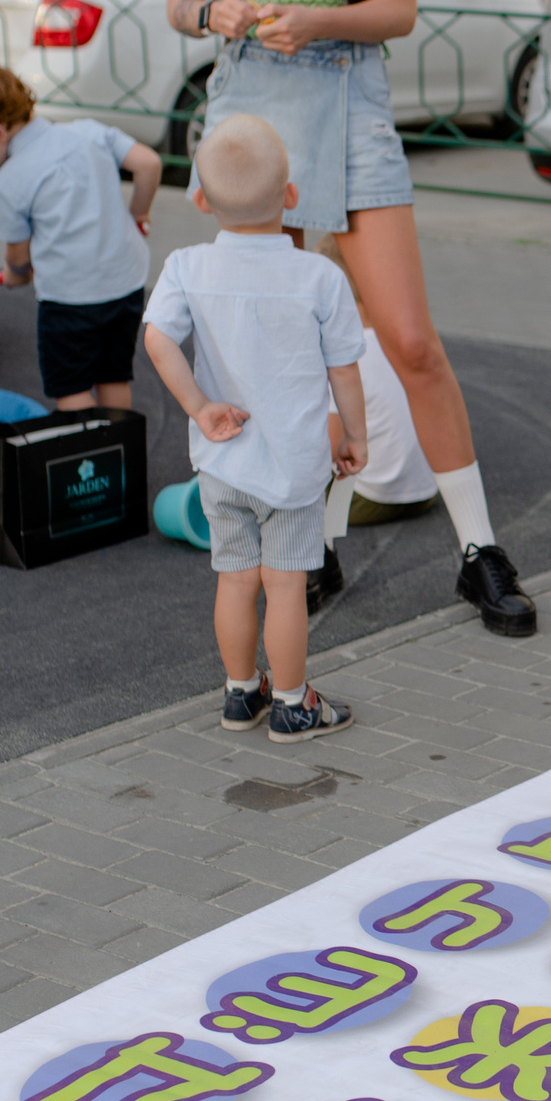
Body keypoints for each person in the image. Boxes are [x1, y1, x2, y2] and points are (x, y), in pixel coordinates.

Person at [166, 0, 534, 636]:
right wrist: (209, 13)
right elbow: (178, 1)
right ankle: (312, 544)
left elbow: (400, 6)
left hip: (345, 87)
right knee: (284, 343)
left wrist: (319, 19)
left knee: (409, 341)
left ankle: (480, 552)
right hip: (247, 100)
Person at [143, 115, 367, 739]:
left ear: (199, 200)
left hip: (221, 459)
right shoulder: (320, 277)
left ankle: (242, 694)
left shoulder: (187, 266)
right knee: (285, 585)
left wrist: (198, 406)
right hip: (292, 469)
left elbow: (158, 338)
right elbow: (345, 371)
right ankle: (295, 703)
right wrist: (355, 437)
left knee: (236, 580)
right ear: (291, 197)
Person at [0, 64, 160, 411]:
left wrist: (16, 274)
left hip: (69, 299)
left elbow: (18, 256)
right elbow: (149, 163)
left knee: (71, 385)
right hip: (125, 283)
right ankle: (121, 459)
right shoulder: (89, 131)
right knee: (113, 376)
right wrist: (138, 214)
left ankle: (88, 462)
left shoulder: (11, 180)